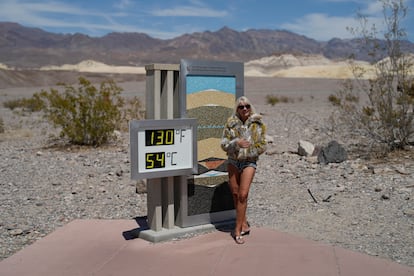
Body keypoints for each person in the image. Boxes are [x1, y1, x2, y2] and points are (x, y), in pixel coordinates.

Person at [221, 96, 267, 244]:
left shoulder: (258, 124)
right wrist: (236, 143)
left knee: (243, 194)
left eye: (247, 106)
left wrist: (248, 152)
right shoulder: (231, 123)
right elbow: (224, 144)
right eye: (241, 107)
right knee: (235, 194)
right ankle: (244, 222)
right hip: (233, 162)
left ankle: (237, 229)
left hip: (249, 162)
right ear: (237, 109)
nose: (245, 109)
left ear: (250, 107)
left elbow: (263, 145)